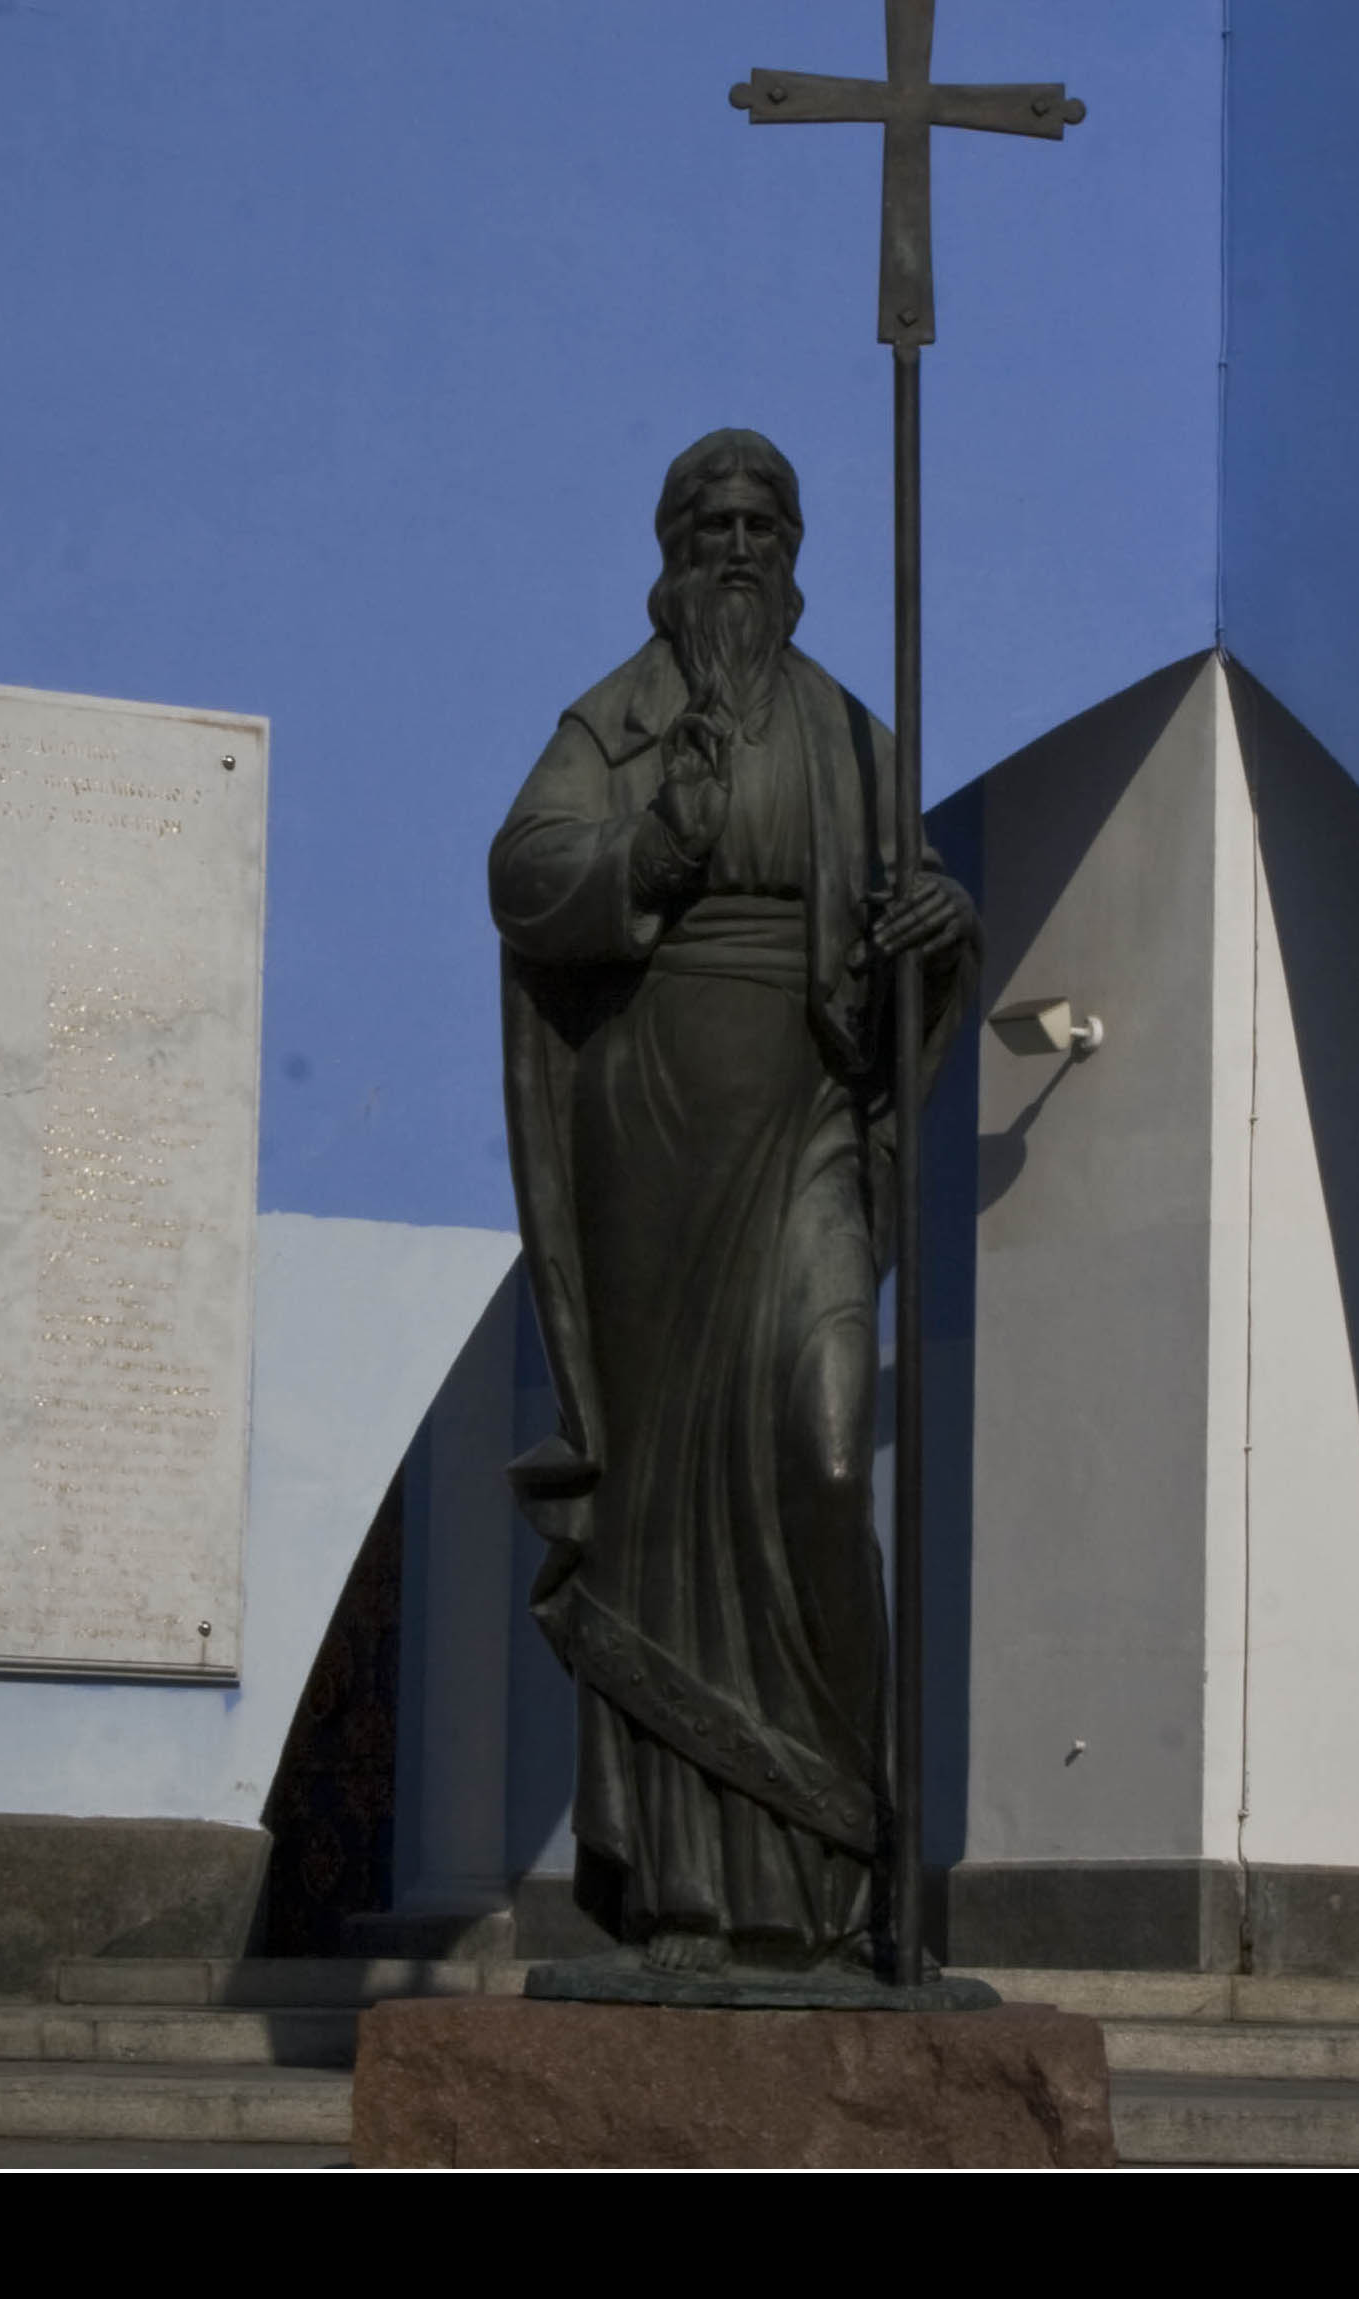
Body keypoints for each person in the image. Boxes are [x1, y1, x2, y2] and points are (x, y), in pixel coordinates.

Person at [490, 426, 976, 1981]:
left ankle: (843, 1867)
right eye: (712, 519)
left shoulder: (851, 738)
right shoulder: (615, 723)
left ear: (798, 546)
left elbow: (911, 923)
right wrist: (649, 841)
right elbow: (525, 878)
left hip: (807, 1116)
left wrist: (939, 924)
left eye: (765, 519)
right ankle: (692, 1898)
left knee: (827, 1452)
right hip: (654, 1134)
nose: (740, 544)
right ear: (669, 544)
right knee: (657, 1506)